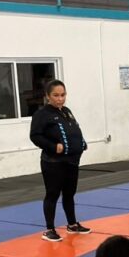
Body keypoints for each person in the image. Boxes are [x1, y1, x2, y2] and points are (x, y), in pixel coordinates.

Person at [29, 79, 90, 242]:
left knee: (69, 193)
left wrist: (81, 142)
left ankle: (72, 224)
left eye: (62, 95)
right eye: (56, 95)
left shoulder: (66, 111)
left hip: (71, 161)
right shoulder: (42, 114)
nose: (60, 99)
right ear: (48, 96)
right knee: (53, 194)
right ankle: (49, 229)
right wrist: (52, 146)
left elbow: (73, 128)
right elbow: (35, 136)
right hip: (53, 162)